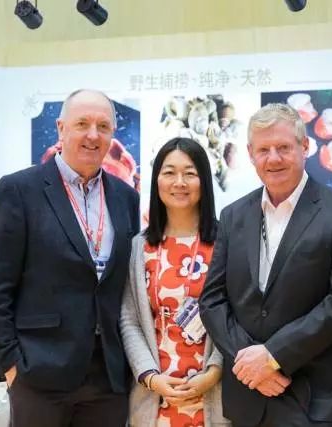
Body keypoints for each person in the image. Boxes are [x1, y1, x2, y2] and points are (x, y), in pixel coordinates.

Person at [0, 89, 140, 426]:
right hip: (39, 375)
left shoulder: (126, 198)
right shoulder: (20, 190)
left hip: (108, 378)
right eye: (82, 124)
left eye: (103, 126)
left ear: (112, 134)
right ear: (61, 128)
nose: (93, 135)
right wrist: (11, 366)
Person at [199, 103, 332, 427]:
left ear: (305, 147)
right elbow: (212, 300)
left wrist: (273, 356)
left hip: (313, 398)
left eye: (283, 147)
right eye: (263, 150)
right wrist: (251, 362)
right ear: (250, 154)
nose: (273, 158)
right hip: (248, 396)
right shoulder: (233, 215)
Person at [120, 137, 230, 427]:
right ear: (156, 180)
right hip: (156, 397)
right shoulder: (139, 247)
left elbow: (237, 317)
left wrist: (214, 371)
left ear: (204, 181)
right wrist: (150, 376)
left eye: (189, 173)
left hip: (211, 395)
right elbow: (129, 320)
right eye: (169, 172)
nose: (179, 182)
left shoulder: (225, 243)